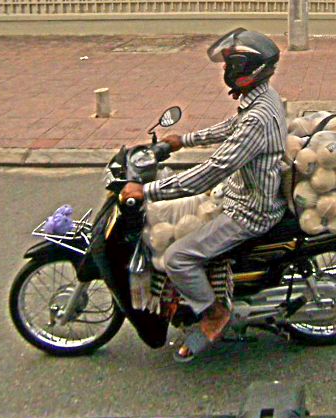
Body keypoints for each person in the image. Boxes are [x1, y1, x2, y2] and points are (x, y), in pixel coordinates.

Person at [121, 28, 287, 363]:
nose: (225, 70)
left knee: (177, 258)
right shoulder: (262, 98)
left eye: (230, 64)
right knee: (170, 216)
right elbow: (229, 128)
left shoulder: (257, 119)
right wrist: (184, 140)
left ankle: (214, 314)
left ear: (246, 70)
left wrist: (148, 190)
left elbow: (214, 169)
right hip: (238, 193)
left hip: (250, 212)